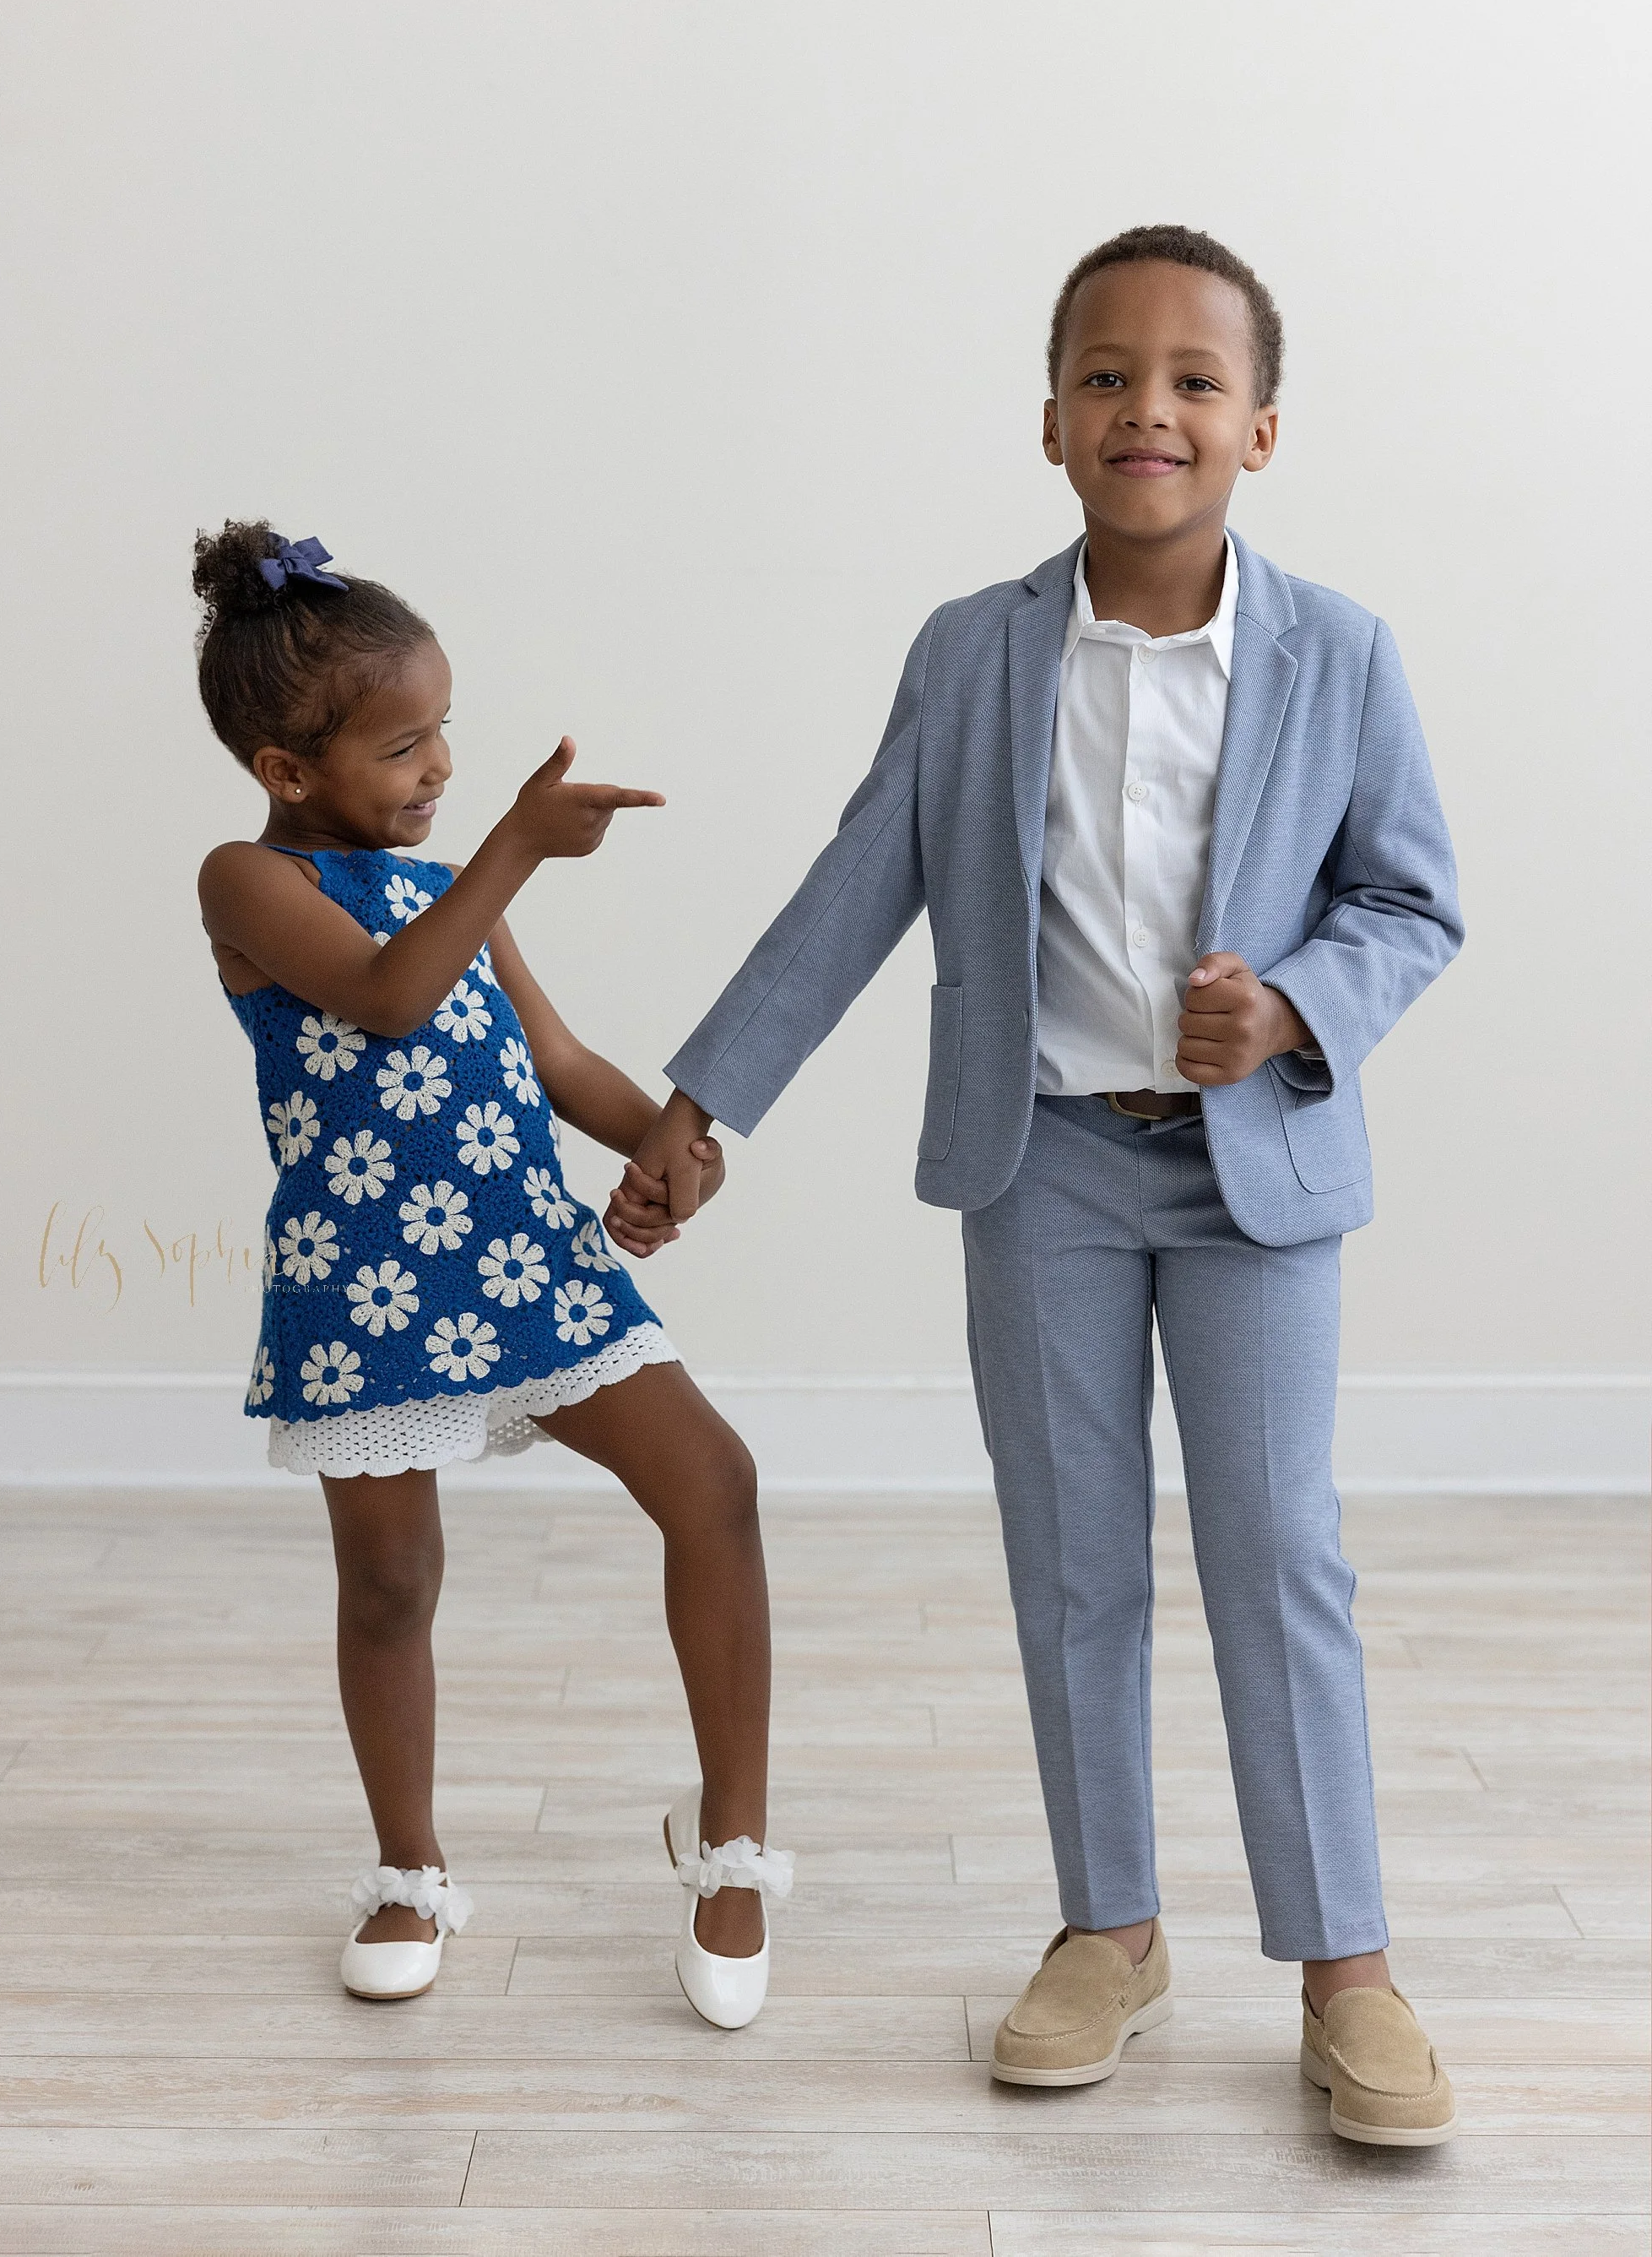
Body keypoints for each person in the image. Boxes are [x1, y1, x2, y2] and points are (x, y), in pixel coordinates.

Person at [607, 226, 1464, 2144]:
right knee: (1071, 1558)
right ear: (1051, 420)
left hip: (1255, 1181)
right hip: (1044, 1166)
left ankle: (1347, 1965)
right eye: (1104, 373)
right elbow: (855, 887)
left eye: (1187, 380)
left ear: (1259, 427)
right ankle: (1110, 1926)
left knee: (1275, 1555)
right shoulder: (975, 651)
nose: (1144, 406)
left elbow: (1413, 900)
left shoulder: (1341, 653)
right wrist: (700, 1099)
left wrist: (1302, 1005)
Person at [192, 520, 791, 2024]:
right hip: (366, 1286)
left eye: (445, 728)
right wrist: (517, 843)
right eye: (404, 745)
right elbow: (392, 1004)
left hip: (523, 1258)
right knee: (391, 1581)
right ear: (285, 771)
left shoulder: (454, 885)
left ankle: (731, 1848)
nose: (443, 767)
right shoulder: (247, 888)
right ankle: (408, 1867)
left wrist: (670, 1142)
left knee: (712, 1482)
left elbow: (557, 1057)